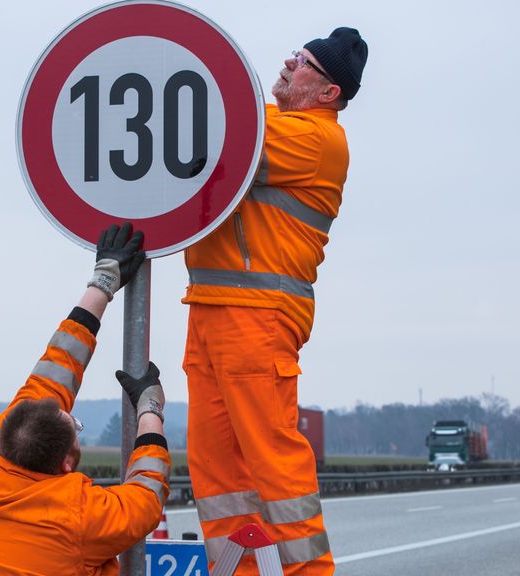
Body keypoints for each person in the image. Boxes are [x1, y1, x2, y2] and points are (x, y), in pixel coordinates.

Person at [181, 28, 368, 575]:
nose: (289, 62)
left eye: (305, 61)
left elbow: (222, 144)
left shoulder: (317, 140)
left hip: (258, 320)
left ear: (328, 92)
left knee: (274, 467)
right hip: (212, 310)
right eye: (295, 53)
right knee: (218, 477)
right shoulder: (279, 122)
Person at [0, 223, 170, 576]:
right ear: (66, 464)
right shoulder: (80, 516)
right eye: (75, 427)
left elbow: (52, 373)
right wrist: (149, 407)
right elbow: (146, 495)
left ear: (5, 435)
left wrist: (104, 281)